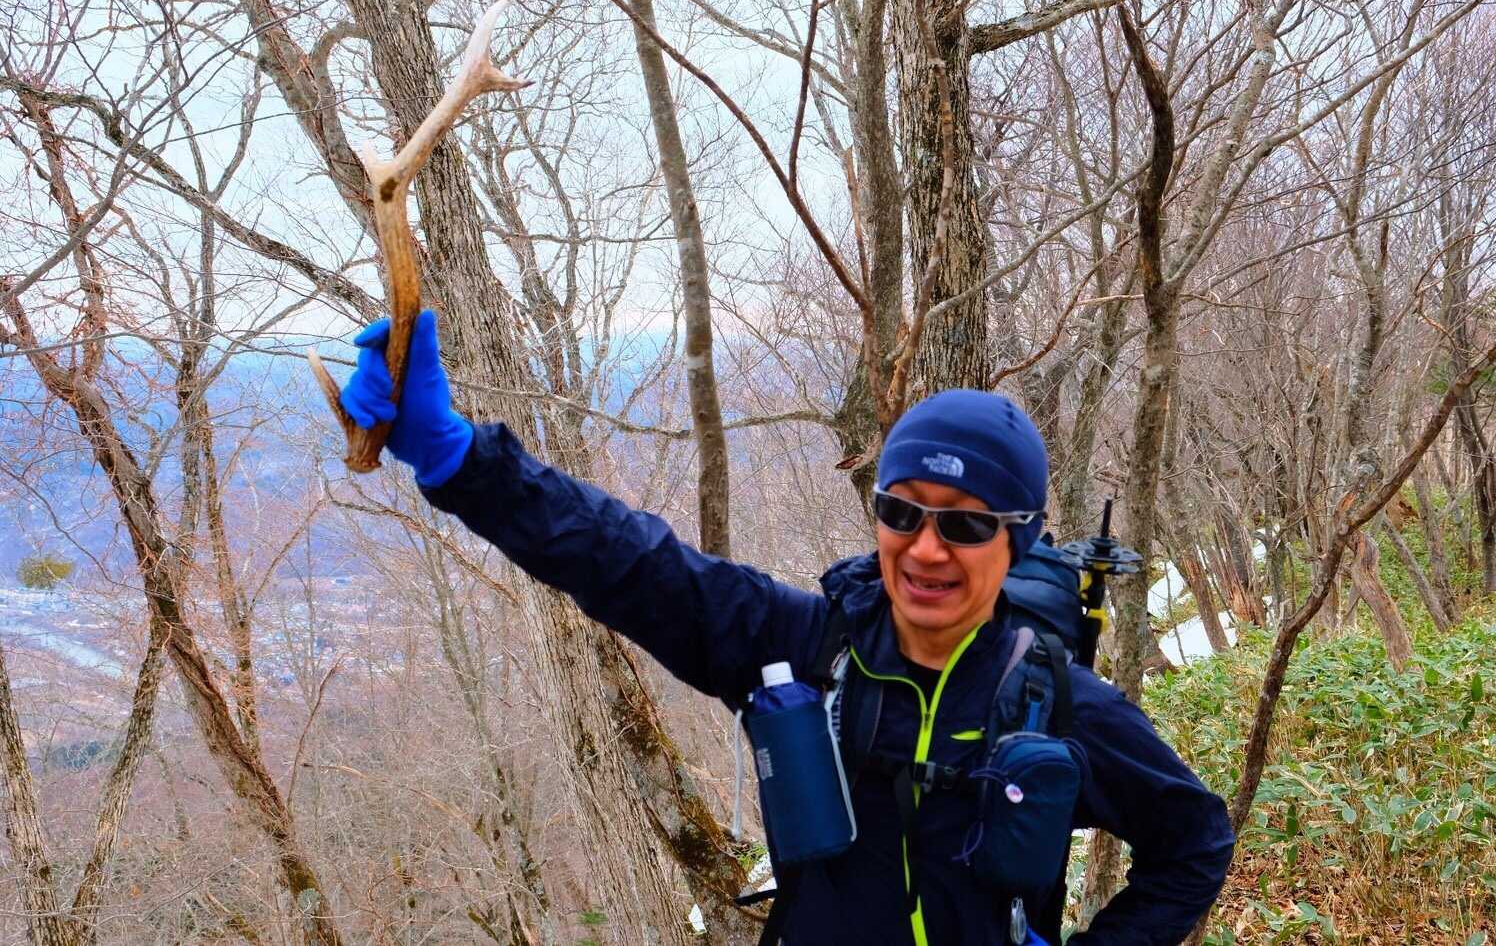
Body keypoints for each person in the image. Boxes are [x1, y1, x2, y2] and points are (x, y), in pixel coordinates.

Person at [340, 310, 1235, 945]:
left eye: (965, 524)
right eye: (901, 511)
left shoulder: (1060, 704)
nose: (925, 549)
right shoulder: (805, 648)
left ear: (1019, 540)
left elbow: (1194, 840)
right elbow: (626, 561)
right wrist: (459, 459)